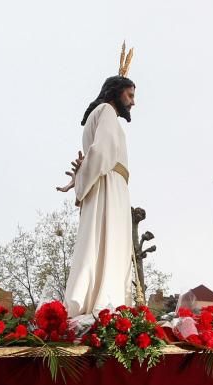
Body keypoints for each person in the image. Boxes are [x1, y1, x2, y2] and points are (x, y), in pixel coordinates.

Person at [57, 50, 136, 317]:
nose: (133, 102)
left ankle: (104, 299)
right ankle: (106, 304)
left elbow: (94, 154)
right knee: (108, 242)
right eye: (130, 95)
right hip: (109, 186)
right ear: (116, 93)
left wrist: (82, 178)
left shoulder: (101, 113)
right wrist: (80, 182)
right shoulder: (106, 112)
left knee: (102, 243)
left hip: (106, 183)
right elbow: (101, 152)